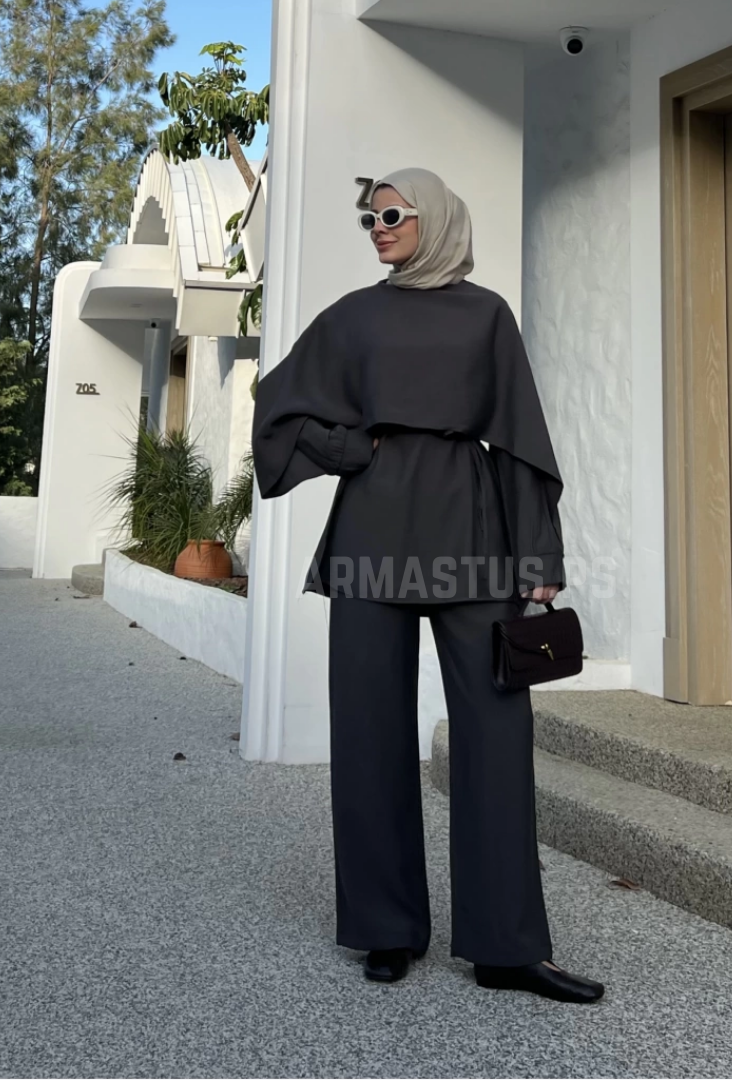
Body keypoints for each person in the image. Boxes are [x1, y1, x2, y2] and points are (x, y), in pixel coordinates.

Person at [251, 167, 604, 1004]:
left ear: (435, 219)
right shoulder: (353, 317)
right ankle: (386, 928)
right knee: (368, 732)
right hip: (371, 539)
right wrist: (350, 450)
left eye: (393, 213)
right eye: (369, 217)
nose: (378, 226)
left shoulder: (487, 316)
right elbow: (278, 408)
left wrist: (539, 560)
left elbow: (518, 440)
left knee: (497, 733)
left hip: (472, 538)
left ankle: (506, 946)